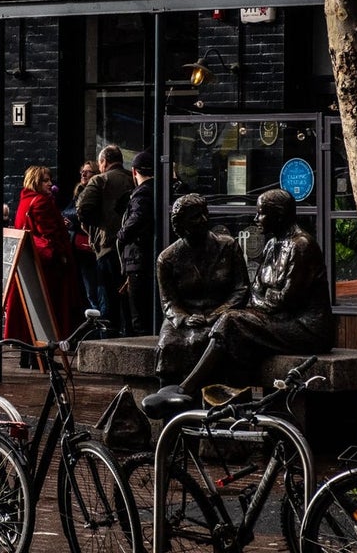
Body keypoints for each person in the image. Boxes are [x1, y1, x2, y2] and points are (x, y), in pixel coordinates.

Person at [146, 189, 336, 405]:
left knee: (231, 321)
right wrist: (268, 298)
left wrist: (265, 299)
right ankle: (212, 406)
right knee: (207, 335)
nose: (256, 219)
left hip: (304, 328)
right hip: (278, 319)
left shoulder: (302, 245)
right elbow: (256, 291)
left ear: (279, 215)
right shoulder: (272, 244)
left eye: (261, 213)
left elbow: (285, 299)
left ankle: (187, 388)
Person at [153, 194, 250, 384]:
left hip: (221, 315)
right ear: (181, 224)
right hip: (184, 318)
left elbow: (242, 289)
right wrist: (186, 319)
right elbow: (169, 302)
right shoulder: (167, 258)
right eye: (195, 217)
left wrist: (216, 314)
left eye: (205, 214)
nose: (204, 220)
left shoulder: (228, 246)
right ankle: (171, 402)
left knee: (206, 342)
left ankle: (213, 400)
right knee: (168, 346)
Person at [10, 165, 79, 339]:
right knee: (47, 308)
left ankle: (28, 352)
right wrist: (62, 254)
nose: (50, 184)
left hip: (28, 262)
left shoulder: (24, 200)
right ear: (36, 182)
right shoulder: (41, 202)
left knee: (28, 306)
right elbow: (50, 234)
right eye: (45, 180)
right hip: (46, 266)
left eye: (50, 180)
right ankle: (43, 347)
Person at [76, 145, 134, 336]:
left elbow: (82, 209)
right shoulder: (132, 179)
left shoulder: (99, 180)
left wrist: (95, 227)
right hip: (132, 249)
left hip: (107, 247)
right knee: (129, 302)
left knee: (107, 300)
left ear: (104, 162)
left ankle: (108, 341)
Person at [116, 149, 156, 336]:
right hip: (146, 258)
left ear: (134, 171)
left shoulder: (142, 193)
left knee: (138, 317)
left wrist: (121, 234)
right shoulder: (159, 190)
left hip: (137, 259)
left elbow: (136, 219)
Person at [62, 161, 100, 311]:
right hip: (76, 248)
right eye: (82, 171)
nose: (83, 174)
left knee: (91, 289)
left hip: (88, 249)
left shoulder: (94, 192)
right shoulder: (79, 191)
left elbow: (81, 215)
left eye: (88, 172)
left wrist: (69, 221)